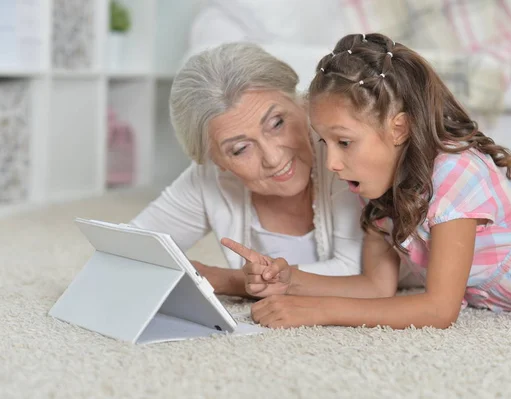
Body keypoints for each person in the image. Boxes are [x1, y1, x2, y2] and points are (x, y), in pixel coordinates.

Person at [220, 33, 511, 329]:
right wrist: (291, 282)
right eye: (324, 142)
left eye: (344, 142)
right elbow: (377, 286)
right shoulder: (378, 186)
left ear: (399, 128)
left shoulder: (455, 174)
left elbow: (439, 311)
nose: (330, 162)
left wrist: (318, 311)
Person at [130, 42, 420, 297]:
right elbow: (130, 248)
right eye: (240, 149)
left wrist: (228, 280)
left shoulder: (340, 152)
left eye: (277, 123)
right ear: (216, 161)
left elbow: (360, 272)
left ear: (302, 102)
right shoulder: (211, 177)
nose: (272, 157)